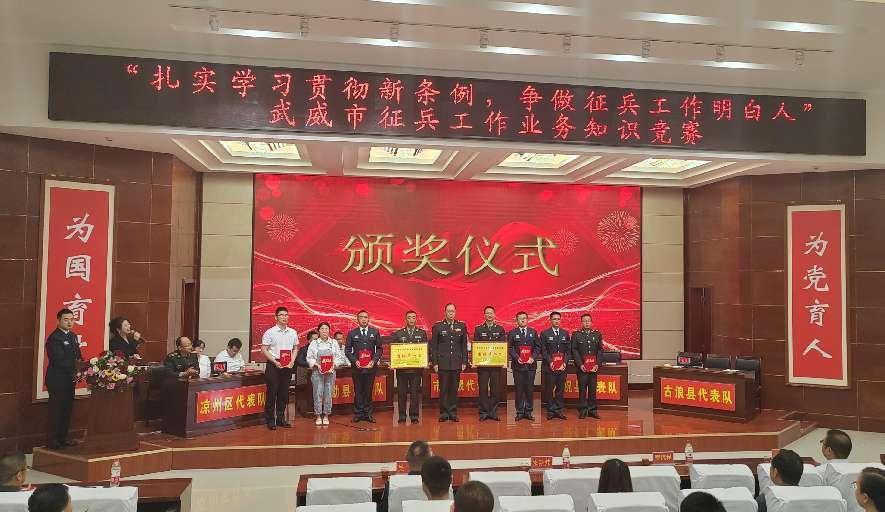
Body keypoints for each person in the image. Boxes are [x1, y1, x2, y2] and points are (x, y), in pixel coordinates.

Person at [45, 308, 83, 450]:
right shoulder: (54, 338)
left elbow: (78, 355)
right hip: (57, 380)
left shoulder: (72, 336)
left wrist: (82, 365)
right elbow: (58, 360)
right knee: (57, 410)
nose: (69, 322)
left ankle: (63, 438)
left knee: (67, 409)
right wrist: (76, 366)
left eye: (72, 319)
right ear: (59, 320)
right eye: (66, 319)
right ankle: (53, 440)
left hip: (69, 379)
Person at [260, 306, 298, 430]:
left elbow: (295, 348)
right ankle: (270, 420)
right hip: (274, 365)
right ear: (276, 317)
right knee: (272, 393)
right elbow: (264, 349)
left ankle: (281, 419)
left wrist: (292, 361)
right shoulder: (270, 332)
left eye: (286, 315)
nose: (284, 317)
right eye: (281, 315)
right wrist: (275, 362)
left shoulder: (292, 332)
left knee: (283, 393)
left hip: (287, 365)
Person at [431, 303, 468, 422]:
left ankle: (452, 412)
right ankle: (443, 413)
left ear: (455, 312)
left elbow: (464, 346)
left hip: (456, 362)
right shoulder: (438, 326)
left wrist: (464, 361)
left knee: (454, 389)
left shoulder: (461, 326)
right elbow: (434, 347)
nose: (451, 313)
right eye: (448, 311)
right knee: (443, 389)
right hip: (443, 363)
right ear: (445, 312)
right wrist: (435, 363)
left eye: (452, 311)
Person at [390, 311, 428, 424]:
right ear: (406, 319)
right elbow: (394, 351)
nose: (411, 320)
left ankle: (414, 416)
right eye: (409, 318)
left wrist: (426, 361)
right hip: (402, 371)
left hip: (416, 370)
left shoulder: (421, 333)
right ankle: (402, 416)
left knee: (415, 394)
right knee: (401, 394)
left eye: (413, 317)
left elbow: (425, 350)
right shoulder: (398, 334)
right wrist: (393, 362)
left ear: (416, 319)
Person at [306, 322, 347, 426]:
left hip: (330, 372)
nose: (324, 331)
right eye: (322, 329)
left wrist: (333, 365)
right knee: (317, 393)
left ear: (329, 330)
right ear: (319, 331)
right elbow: (309, 357)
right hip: (317, 372)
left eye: (326, 329)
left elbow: (339, 357)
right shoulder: (314, 343)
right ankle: (318, 415)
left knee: (328, 394)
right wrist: (317, 365)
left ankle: (326, 415)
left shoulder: (334, 342)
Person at [345, 310, 382, 423]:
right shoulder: (352, 333)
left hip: (370, 368)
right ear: (357, 319)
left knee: (368, 391)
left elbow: (379, 349)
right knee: (358, 391)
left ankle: (368, 414)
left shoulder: (374, 332)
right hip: (357, 368)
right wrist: (355, 361)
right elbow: (347, 350)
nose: (364, 319)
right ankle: (358, 413)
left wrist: (374, 361)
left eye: (366, 317)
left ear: (368, 319)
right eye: (361, 317)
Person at [473, 306, 505, 421]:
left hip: (495, 365)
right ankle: (483, 412)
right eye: (487, 313)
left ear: (494, 315)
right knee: (483, 389)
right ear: (484, 315)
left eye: (491, 313)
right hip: (483, 365)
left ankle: (493, 412)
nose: (489, 315)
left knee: (495, 389)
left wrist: (503, 361)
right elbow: (475, 346)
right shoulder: (479, 329)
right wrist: (475, 361)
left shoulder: (500, 329)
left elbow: (503, 346)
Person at [508, 311, 539, 421]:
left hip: (531, 366)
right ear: (517, 320)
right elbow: (509, 348)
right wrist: (517, 358)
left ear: (527, 319)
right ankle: (520, 411)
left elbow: (538, 347)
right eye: (520, 318)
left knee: (529, 389)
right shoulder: (512, 333)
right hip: (518, 366)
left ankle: (529, 411)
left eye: (524, 318)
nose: (522, 320)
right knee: (519, 389)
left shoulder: (533, 332)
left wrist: (533, 357)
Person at [572, 313, 604, 419]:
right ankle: (583, 410)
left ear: (591, 322)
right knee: (582, 389)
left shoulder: (597, 334)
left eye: (588, 321)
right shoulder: (576, 334)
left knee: (592, 389)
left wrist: (597, 364)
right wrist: (580, 364)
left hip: (593, 368)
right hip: (582, 368)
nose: (587, 323)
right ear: (581, 322)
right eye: (584, 321)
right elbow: (574, 350)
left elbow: (600, 350)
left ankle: (592, 410)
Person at [540, 311, 570, 420]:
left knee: (560, 390)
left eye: (558, 319)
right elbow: (543, 350)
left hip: (562, 368)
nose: (556, 321)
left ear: (560, 320)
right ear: (550, 320)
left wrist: (565, 362)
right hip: (550, 367)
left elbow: (568, 350)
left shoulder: (565, 333)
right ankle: (551, 411)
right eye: (554, 319)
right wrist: (550, 362)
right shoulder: (545, 333)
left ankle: (558, 410)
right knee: (549, 390)